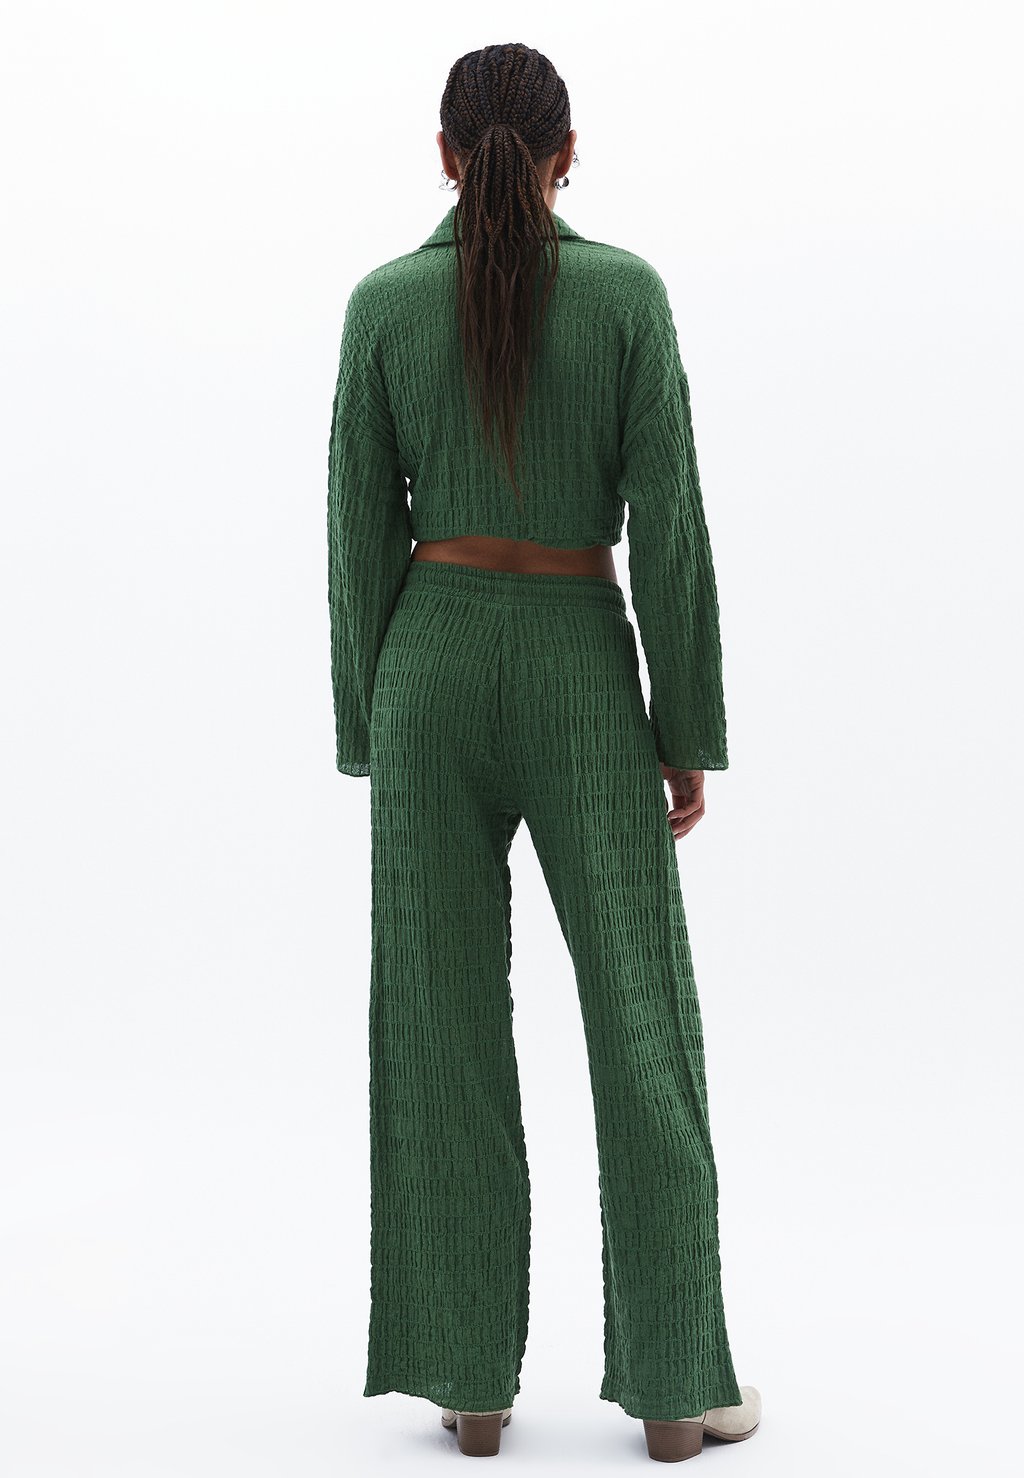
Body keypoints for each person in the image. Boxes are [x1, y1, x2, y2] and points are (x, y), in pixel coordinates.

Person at [327, 41, 762, 1464]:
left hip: (431, 669)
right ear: (569, 153)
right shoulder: (627, 295)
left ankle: (470, 1385)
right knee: (643, 1021)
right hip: (580, 658)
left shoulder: (383, 304)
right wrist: (686, 728)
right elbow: (671, 527)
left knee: (439, 1021)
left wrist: (366, 726)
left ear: (444, 155)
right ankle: (678, 1389)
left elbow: (356, 535)